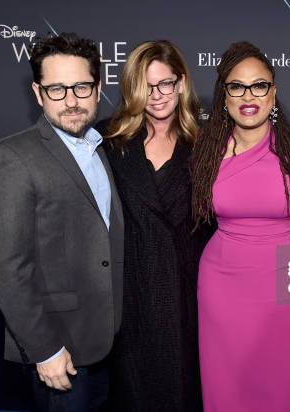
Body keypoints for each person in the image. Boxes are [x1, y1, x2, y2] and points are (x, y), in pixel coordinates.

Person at [0, 32, 124, 412]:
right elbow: (9, 269)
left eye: (81, 86)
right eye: (57, 89)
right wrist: (44, 349)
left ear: (98, 87)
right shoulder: (11, 157)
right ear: (38, 92)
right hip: (61, 350)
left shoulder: (103, 147)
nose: (71, 101)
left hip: (111, 342)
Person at [191, 41, 290, 412]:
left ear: (274, 92)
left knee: (283, 384)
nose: (248, 96)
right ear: (224, 94)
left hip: (286, 282)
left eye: (259, 85)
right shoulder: (205, 149)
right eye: (237, 86)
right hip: (222, 285)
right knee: (227, 389)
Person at [99, 40, 203, 411]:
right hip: (128, 298)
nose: (157, 96)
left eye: (165, 84)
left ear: (181, 83)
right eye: (146, 86)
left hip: (184, 298)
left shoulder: (204, 145)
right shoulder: (108, 141)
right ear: (131, 89)